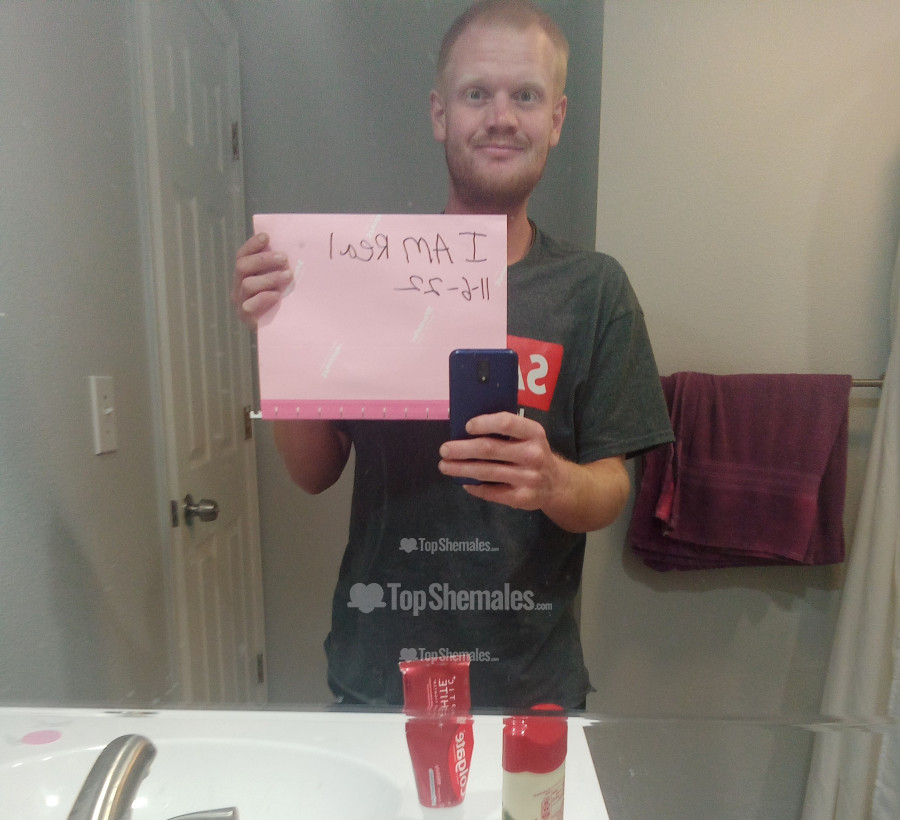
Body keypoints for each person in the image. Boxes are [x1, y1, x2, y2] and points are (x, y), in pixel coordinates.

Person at [231, 0, 672, 709]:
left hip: (527, 685)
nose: (501, 117)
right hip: (381, 679)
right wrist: (281, 336)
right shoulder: (365, 274)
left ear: (556, 119)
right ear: (441, 114)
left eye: (525, 95)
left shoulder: (594, 289)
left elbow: (610, 489)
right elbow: (314, 473)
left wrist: (552, 481)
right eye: (476, 94)